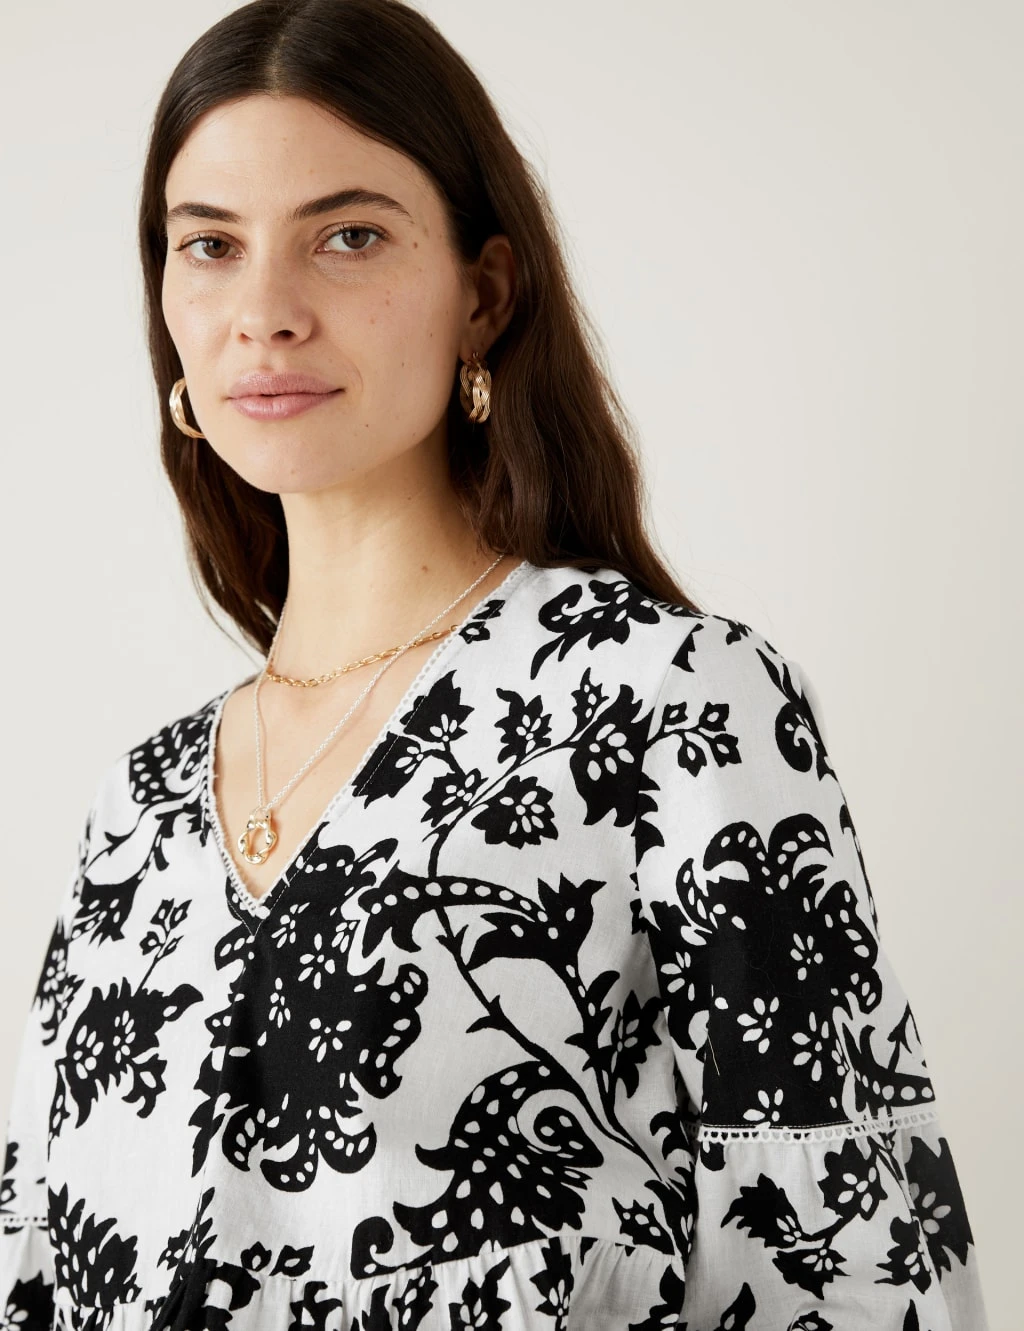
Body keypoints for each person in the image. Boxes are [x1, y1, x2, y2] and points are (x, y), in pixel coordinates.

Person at [0, 1, 990, 1327]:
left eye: (348, 236)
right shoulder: (137, 811)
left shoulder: (670, 707)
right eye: (211, 246)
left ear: (485, 293)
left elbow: (853, 1264)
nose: (265, 314)